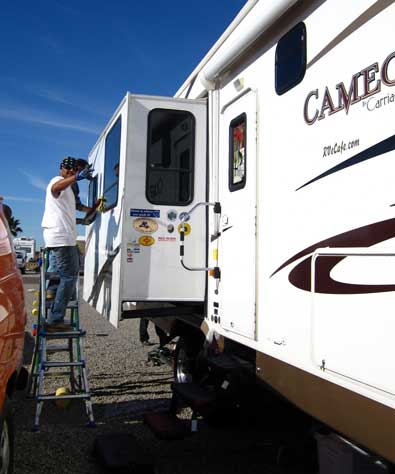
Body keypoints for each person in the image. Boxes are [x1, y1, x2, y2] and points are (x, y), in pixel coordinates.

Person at [41, 157, 92, 330]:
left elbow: (67, 214)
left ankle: (52, 294)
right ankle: (56, 319)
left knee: (57, 273)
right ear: (62, 169)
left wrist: (88, 214)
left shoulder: (69, 191)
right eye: (70, 172)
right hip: (62, 238)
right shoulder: (57, 181)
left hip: (60, 236)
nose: (71, 175)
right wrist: (76, 178)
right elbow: (55, 188)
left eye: (74, 173)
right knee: (70, 275)